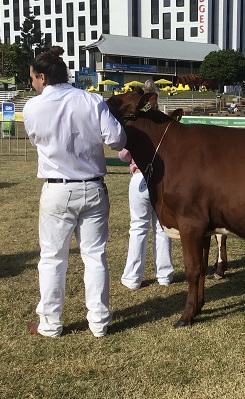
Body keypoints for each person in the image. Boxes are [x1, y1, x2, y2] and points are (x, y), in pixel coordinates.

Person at [23, 46, 127, 338]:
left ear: (42, 77)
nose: (32, 83)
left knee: (53, 258)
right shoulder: (92, 101)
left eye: (32, 78)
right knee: (95, 256)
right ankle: (99, 322)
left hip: (57, 188)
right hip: (93, 186)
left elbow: (36, 140)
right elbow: (117, 140)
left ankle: (51, 323)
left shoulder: (32, 107)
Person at [119, 79, 174, 289]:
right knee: (162, 227)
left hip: (140, 176)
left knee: (138, 228)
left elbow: (124, 155)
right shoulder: (164, 124)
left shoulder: (137, 125)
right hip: (161, 177)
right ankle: (165, 275)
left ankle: (133, 278)